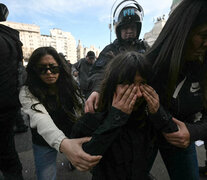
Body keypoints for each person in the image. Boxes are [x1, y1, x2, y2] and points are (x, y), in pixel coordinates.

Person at [71, 51, 161, 180]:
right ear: (112, 85)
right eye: (127, 84)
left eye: (142, 83)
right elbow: (84, 159)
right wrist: (115, 118)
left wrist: (158, 115)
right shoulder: (93, 117)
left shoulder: (147, 114)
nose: (138, 94)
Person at [145, 0, 207, 179]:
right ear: (184, 31)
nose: (206, 44)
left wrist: (193, 131)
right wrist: (98, 90)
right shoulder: (151, 64)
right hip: (146, 135)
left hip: (181, 136)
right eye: (203, 35)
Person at [19, 47, 102, 180]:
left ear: (60, 67)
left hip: (71, 133)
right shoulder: (27, 91)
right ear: (34, 70)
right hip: (43, 141)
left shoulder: (69, 84)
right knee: (46, 176)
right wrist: (63, 144)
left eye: (53, 68)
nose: (49, 72)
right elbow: (40, 118)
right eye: (42, 68)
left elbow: (80, 105)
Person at [85, 0, 149, 113]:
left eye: (133, 27)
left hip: (143, 105)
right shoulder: (110, 50)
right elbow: (98, 73)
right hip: (117, 104)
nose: (129, 31)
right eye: (125, 28)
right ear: (118, 30)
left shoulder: (146, 48)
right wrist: (97, 90)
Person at [0, 3, 24, 180]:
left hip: (5, 104)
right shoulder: (11, 38)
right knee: (7, 153)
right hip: (8, 103)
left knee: (7, 156)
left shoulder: (6, 38)